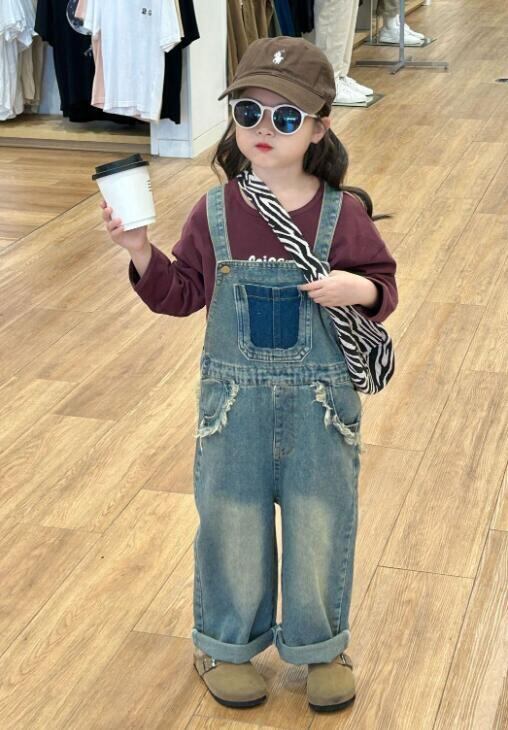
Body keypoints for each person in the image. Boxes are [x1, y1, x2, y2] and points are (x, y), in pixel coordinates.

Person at [100, 36, 398, 713]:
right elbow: (181, 293)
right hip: (232, 411)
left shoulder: (343, 213)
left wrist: (355, 287)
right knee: (230, 524)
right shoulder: (213, 211)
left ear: (320, 127)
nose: (265, 128)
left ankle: (321, 646)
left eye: (286, 117)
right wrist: (141, 251)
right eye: (248, 112)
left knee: (321, 523)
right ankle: (225, 645)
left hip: (323, 410)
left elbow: (384, 288)